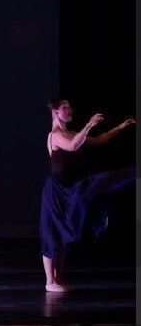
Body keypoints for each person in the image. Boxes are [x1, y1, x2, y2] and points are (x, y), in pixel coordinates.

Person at [41, 98, 135, 292]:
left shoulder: (71, 133)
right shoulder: (55, 135)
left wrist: (120, 127)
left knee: (65, 233)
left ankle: (59, 279)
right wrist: (89, 125)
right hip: (56, 190)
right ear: (55, 113)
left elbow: (99, 141)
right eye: (65, 108)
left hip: (71, 188)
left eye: (70, 106)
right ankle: (50, 281)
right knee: (52, 232)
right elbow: (73, 146)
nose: (69, 110)